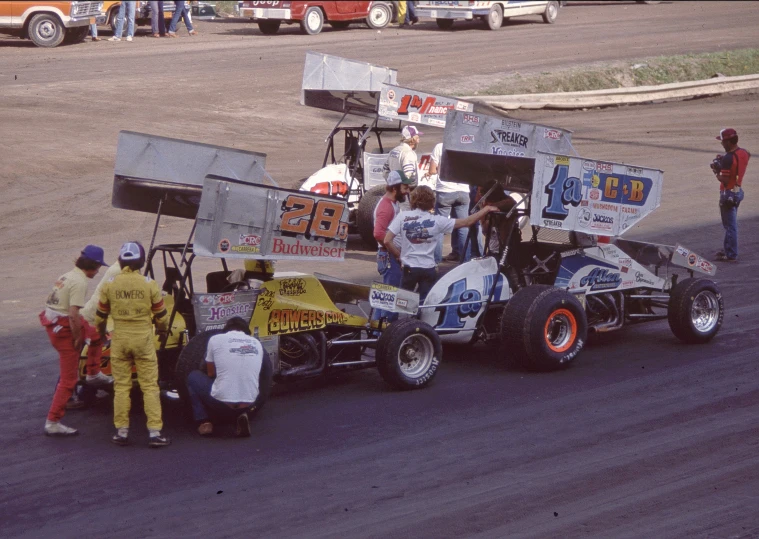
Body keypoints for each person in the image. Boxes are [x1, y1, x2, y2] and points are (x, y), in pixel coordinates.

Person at [95, 242, 171, 448]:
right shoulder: (149, 283)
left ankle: (122, 431)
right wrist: (162, 332)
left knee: (121, 387)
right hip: (143, 341)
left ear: (120, 260)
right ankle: (155, 433)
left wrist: (102, 336)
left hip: (119, 340)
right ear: (140, 261)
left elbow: (100, 317)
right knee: (149, 387)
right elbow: (162, 317)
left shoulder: (110, 283)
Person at [41, 245, 109, 436]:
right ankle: (53, 421)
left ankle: (93, 373)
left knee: (96, 336)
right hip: (63, 327)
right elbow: (73, 315)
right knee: (69, 379)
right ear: (93, 266)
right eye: (98, 268)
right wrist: (78, 337)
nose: (98, 272)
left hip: (55, 321)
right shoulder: (80, 282)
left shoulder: (68, 275)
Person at [385, 186, 496, 302]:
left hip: (409, 268)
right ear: (431, 202)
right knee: (425, 304)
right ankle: (419, 319)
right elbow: (466, 222)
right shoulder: (437, 220)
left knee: (402, 303)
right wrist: (486, 209)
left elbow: (387, 240)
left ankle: (401, 320)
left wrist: (399, 256)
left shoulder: (402, 217)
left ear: (413, 200)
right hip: (428, 268)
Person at [186, 317, 273, 438]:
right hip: (252, 403)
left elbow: (210, 373)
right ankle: (240, 414)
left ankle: (204, 422)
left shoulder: (215, 339)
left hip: (222, 404)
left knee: (193, 377)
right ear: (246, 331)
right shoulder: (256, 343)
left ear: (226, 329)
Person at [372, 170, 413, 323]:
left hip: (389, 255)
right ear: (395, 188)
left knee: (387, 296)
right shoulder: (386, 207)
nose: (407, 191)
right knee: (390, 298)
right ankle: (383, 333)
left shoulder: (391, 204)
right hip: (389, 256)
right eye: (405, 188)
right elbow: (378, 233)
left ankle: (378, 332)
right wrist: (395, 253)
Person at [711, 128, 750, 262]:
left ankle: (731, 254)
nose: (722, 144)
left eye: (722, 141)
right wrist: (725, 161)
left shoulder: (728, 158)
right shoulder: (744, 152)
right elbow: (740, 160)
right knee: (730, 224)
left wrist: (717, 172)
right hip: (738, 191)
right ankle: (728, 249)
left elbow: (725, 180)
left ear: (728, 142)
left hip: (727, 193)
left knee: (730, 226)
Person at [429, 142, 472, 263]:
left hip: (445, 190)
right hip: (463, 190)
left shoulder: (439, 146)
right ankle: (465, 260)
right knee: (463, 226)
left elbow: (432, 170)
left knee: (439, 227)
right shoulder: (466, 146)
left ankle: (435, 261)